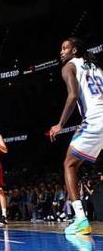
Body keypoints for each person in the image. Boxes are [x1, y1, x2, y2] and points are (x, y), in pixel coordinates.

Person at [49, 37, 103, 235]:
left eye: (65, 48)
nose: (61, 51)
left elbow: (73, 96)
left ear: (74, 50)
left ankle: (80, 219)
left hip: (96, 119)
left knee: (69, 165)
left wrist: (60, 124)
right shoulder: (96, 67)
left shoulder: (69, 67)